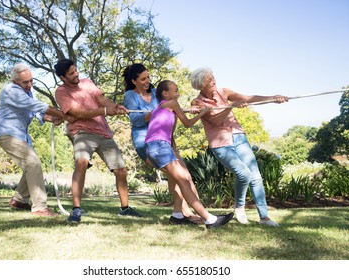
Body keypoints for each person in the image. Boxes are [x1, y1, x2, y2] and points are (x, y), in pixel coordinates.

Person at [190, 67, 288, 226]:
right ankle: (239, 206)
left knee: (255, 176)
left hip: (238, 135)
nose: (214, 81)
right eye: (209, 80)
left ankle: (264, 217)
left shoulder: (224, 92)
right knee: (243, 174)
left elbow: (248, 98)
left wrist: (272, 98)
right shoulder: (197, 102)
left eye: (213, 77)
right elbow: (215, 121)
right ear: (200, 85)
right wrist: (231, 106)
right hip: (220, 143)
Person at [54, 58, 142, 223]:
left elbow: (102, 99)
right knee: (81, 163)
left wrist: (114, 107)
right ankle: (76, 209)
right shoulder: (61, 92)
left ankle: (125, 208)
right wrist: (105, 111)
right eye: (71, 73)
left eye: (76, 70)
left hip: (103, 131)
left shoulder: (87, 82)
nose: (76, 74)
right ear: (63, 78)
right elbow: (78, 113)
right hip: (82, 132)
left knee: (121, 170)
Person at [145, 80, 235, 229]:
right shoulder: (172, 103)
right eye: (175, 90)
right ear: (165, 94)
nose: (178, 93)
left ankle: (177, 215)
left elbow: (169, 130)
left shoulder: (160, 108)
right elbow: (187, 123)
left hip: (154, 147)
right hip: (160, 146)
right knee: (184, 180)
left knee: (177, 179)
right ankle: (210, 219)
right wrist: (202, 113)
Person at [123, 63, 201, 225]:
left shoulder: (155, 92)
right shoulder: (130, 96)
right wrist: (158, 111)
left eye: (148, 77)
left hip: (164, 139)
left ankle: (180, 213)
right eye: (143, 79)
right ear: (134, 81)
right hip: (145, 141)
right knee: (178, 175)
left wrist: (190, 108)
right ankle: (187, 213)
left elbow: (171, 108)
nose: (147, 81)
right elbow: (136, 120)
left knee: (182, 174)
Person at [0, 63, 66, 217]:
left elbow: (35, 112)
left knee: (30, 166)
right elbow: (36, 106)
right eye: (25, 82)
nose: (30, 84)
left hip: (18, 134)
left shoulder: (27, 92)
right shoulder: (11, 91)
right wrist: (63, 114)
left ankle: (19, 200)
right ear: (15, 81)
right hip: (7, 133)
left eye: (32, 81)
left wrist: (52, 119)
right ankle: (39, 207)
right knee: (33, 164)